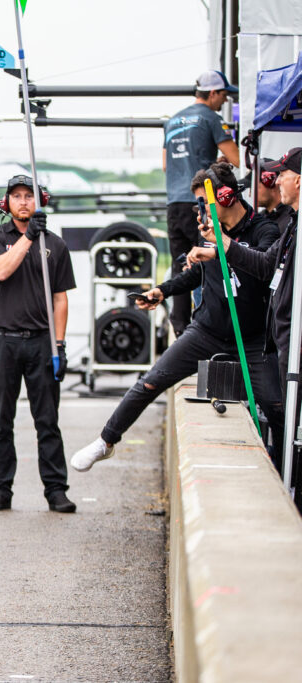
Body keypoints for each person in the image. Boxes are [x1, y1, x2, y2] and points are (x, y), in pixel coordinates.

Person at [72, 162, 282, 471]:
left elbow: (263, 266)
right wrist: (162, 290)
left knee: (277, 408)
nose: (199, 212)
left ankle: (285, 473)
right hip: (207, 330)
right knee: (150, 382)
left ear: (225, 197)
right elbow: (200, 272)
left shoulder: (264, 230)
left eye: (203, 203)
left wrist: (221, 247)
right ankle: (106, 441)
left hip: (252, 339)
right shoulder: (209, 232)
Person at [0, 175, 77, 514]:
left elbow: (60, 299)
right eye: (17, 196)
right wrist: (29, 237)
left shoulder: (56, 245)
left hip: (41, 342)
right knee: (1, 420)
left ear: (40, 202)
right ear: (7, 203)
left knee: (47, 420)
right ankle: (1, 490)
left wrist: (59, 345)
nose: (23, 202)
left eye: (29, 196)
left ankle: (56, 490)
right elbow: (1, 271)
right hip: (2, 341)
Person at [194, 149, 301, 398]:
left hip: (291, 338)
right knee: (286, 408)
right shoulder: (293, 225)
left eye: (282, 174)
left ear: (298, 180)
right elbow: (265, 265)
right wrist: (222, 243)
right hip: (285, 338)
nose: (277, 181)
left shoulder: (277, 226)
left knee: (283, 408)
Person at [163, 70, 241, 337]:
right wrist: (218, 163)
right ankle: (204, 329)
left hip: (173, 203)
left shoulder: (172, 120)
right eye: (224, 95)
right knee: (204, 263)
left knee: (181, 266)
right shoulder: (210, 118)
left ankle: (181, 330)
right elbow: (238, 159)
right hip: (200, 203)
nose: (225, 101)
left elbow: (166, 165)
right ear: (212, 93)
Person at [249, 157, 297, 234]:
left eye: (253, 188)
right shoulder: (259, 218)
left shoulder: (291, 217)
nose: (250, 194)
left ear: (270, 182)